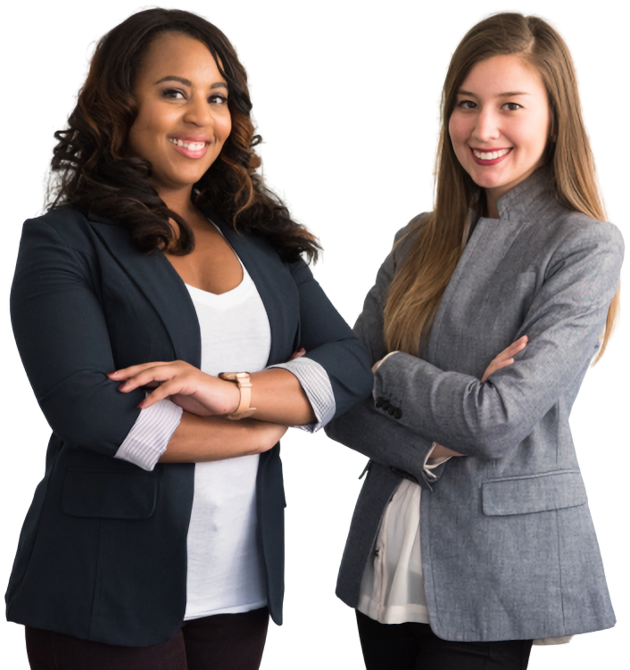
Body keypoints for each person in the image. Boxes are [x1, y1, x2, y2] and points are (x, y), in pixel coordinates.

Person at [5, 8, 373, 670]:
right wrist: (267, 427)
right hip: (102, 589)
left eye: (217, 97)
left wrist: (231, 395)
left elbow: (348, 367)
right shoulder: (63, 242)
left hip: (242, 589)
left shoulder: (263, 241)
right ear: (120, 107)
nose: (202, 117)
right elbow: (89, 412)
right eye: (175, 92)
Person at [324, 11, 621, 670]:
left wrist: (388, 368)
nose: (482, 129)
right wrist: (427, 443)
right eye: (467, 104)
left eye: (510, 105)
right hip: (383, 564)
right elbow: (342, 401)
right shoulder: (417, 235)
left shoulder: (582, 245)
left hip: (496, 578)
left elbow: (495, 420)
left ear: (555, 116)